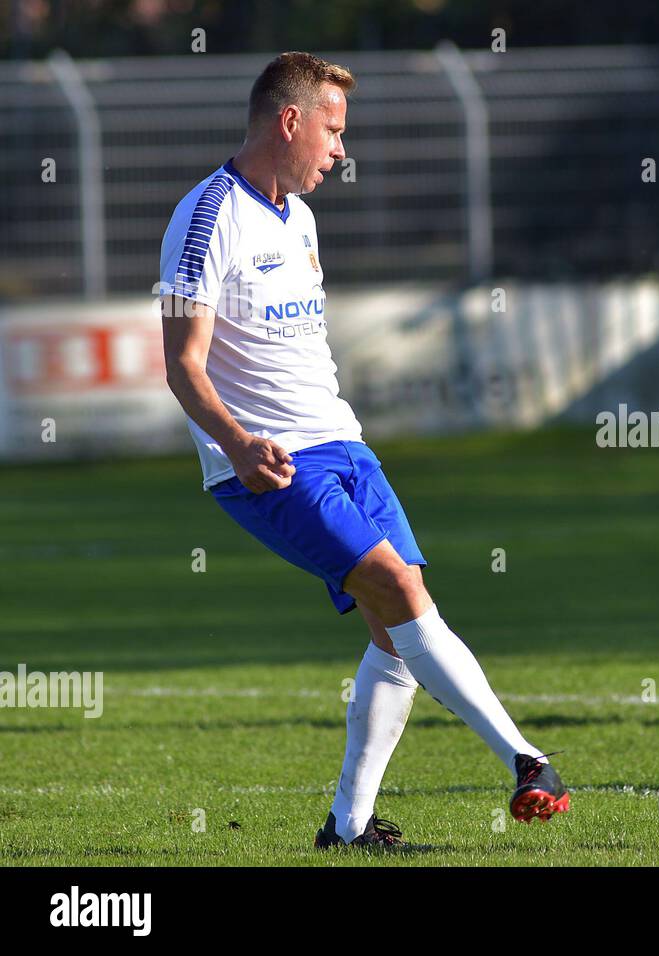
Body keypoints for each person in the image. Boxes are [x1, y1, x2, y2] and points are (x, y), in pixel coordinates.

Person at [158, 52, 568, 847]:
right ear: (290, 121)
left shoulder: (302, 218)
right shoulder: (205, 216)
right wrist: (239, 443)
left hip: (343, 442)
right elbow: (180, 364)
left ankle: (347, 830)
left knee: (394, 631)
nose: (340, 150)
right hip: (270, 461)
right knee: (396, 590)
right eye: (333, 130)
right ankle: (525, 758)